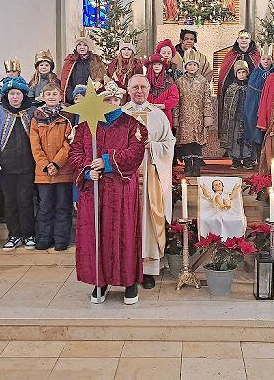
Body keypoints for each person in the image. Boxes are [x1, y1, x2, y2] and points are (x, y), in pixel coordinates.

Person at [70, 83, 148, 305]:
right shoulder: (86, 126)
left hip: (121, 190)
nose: (112, 103)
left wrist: (106, 161)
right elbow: (75, 153)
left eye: (116, 99)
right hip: (94, 191)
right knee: (96, 236)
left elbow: (135, 153)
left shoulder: (133, 125)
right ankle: (100, 281)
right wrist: (87, 171)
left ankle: (129, 282)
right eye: (107, 99)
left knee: (124, 234)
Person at [123, 75, 175, 290]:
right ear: (128, 89)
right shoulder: (119, 114)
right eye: (135, 87)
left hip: (150, 176)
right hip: (125, 178)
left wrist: (152, 146)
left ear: (149, 89)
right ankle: (126, 267)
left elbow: (169, 143)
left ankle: (148, 270)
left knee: (148, 221)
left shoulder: (158, 114)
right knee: (126, 221)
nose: (139, 91)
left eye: (143, 87)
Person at [0, 77, 37, 251]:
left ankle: (29, 234)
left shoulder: (32, 112)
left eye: (18, 94)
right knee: (10, 201)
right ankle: (14, 235)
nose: (15, 97)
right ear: (7, 95)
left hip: (28, 165)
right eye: (12, 93)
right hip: (5, 166)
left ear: (23, 95)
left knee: (26, 200)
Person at [30, 82, 74, 251]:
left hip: (63, 170)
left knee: (63, 206)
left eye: (55, 94)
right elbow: (35, 145)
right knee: (45, 207)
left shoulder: (67, 116)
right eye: (48, 94)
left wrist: (56, 163)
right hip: (44, 173)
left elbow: (69, 143)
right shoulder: (36, 117)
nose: (51, 97)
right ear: (43, 96)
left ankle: (61, 239)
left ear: (60, 96)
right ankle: (44, 238)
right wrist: (46, 164)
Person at [175, 50, 214, 177]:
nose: (192, 67)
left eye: (194, 65)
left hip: (199, 118)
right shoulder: (180, 81)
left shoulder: (203, 81)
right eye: (189, 64)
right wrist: (175, 117)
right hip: (184, 118)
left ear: (198, 66)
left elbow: (207, 99)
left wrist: (208, 116)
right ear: (185, 66)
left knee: (197, 142)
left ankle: (196, 166)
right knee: (186, 143)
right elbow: (177, 101)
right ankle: (188, 166)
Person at [243, 45, 274, 164]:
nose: (266, 61)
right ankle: (259, 158)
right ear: (259, 60)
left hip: (270, 108)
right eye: (263, 59)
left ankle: (269, 160)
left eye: (268, 59)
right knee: (257, 132)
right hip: (256, 108)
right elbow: (251, 95)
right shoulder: (255, 73)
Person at [220, 61, 253, 169]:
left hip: (247, 118)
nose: (242, 74)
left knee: (247, 138)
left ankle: (248, 158)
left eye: (244, 72)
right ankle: (236, 159)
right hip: (235, 119)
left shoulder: (250, 87)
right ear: (236, 74)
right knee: (235, 139)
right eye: (239, 72)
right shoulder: (231, 88)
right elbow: (227, 106)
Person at [217, 30, 260, 111]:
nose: (244, 40)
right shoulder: (231, 55)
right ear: (237, 40)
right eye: (241, 38)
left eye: (246, 38)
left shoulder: (256, 55)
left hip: (251, 92)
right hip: (233, 93)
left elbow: (258, 74)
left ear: (250, 40)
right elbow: (224, 76)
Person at [60, 35, 108, 104]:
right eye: (79, 45)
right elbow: (66, 82)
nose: (82, 47)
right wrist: (71, 98)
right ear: (76, 47)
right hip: (74, 98)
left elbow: (100, 78)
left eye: (85, 45)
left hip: (92, 98)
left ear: (88, 47)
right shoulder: (70, 61)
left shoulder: (95, 60)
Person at [145, 53, 180, 127]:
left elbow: (174, 97)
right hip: (147, 114)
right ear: (150, 66)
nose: (157, 66)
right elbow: (139, 95)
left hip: (164, 114)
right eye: (154, 64)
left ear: (163, 66)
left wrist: (163, 105)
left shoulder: (169, 81)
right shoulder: (144, 81)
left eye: (159, 64)